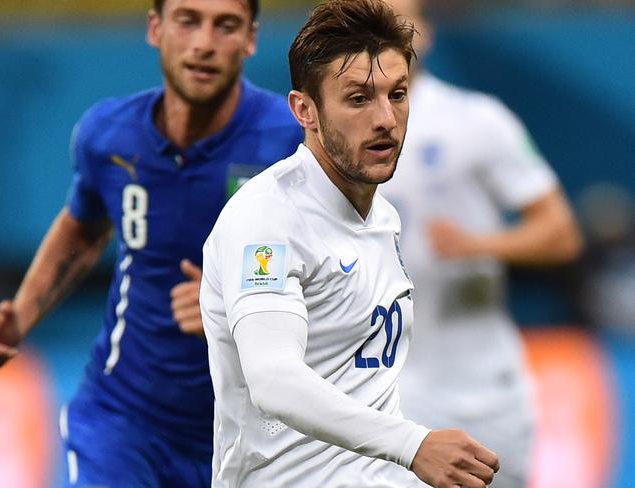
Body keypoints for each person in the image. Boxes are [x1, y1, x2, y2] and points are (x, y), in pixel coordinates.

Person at [0, 0, 303, 486]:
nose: (204, 43)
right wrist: (20, 318)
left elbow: (345, 274)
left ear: (251, 39)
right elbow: (83, 226)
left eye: (226, 25)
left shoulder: (292, 144)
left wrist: (238, 308)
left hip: (246, 436)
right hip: (123, 420)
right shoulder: (109, 134)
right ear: (156, 28)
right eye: (188, 20)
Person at [201, 1, 500, 486]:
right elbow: (272, 379)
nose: (386, 118)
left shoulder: (383, 217)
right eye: (359, 99)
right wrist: (413, 444)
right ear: (305, 110)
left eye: (397, 95)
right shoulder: (267, 217)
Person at [380, 1, 583, 487]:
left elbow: (562, 232)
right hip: (388, 389)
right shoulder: (326, 132)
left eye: (397, 18)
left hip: (483, 389)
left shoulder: (476, 120)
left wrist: (481, 245)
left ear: (424, 33)